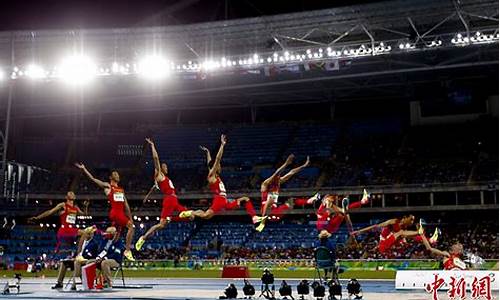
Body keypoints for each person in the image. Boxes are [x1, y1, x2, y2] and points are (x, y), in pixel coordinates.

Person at [180, 135, 264, 228]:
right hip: (219, 200)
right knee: (205, 216)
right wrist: (222, 145)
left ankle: (254, 217)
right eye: (218, 165)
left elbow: (209, 163)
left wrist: (207, 152)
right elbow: (217, 159)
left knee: (245, 199)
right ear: (214, 167)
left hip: (225, 201)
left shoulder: (216, 175)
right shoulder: (211, 175)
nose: (219, 166)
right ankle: (191, 212)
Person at [135, 138, 190, 251]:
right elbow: (156, 158)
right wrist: (152, 146)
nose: (166, 167)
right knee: (161, 225)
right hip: (169, 200)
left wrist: (147, 196)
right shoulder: (160, 175)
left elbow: (153, 188)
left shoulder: (165, 178)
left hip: (174, 201)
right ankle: (143, 238)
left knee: (191, 216)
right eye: (164, 166)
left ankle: (174, 217)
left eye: (166, 167)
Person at [75, 163, 135, 261]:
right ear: (111, 177)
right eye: (115, 174)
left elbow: (126, 205)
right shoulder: (108, 186)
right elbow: (93, 179)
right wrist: (84, 169)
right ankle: (128, 250)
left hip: (121, 213)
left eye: (118, 175)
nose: (118, 176)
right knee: (131, 227)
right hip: (116, 213)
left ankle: (103, 250)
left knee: (115, 237)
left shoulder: (121, 190)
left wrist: (130, 218)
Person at [257, 154, 313, 231]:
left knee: (291, 202)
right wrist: (286, 163)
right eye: (278, 178)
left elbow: (292, 172)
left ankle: (307, 203)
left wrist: (304, 165)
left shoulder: (279, 181)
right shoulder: (265, 184)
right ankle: (263, 222)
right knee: (272, 201)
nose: (280, 179)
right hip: (266, 209)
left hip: (274, 210)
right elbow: (276, 173)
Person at [351, 215, 439, 254]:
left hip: (392, 245)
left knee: (406, 235)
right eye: (411, 219)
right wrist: (359, 231)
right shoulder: (393, 222)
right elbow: (375, 226)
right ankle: (422, 234)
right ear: (404, 218)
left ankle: (430, 240)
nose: (412, 222)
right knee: (403, 234)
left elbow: (405, 236)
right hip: (384, 245)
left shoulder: (404, 229)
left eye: (413, 220)